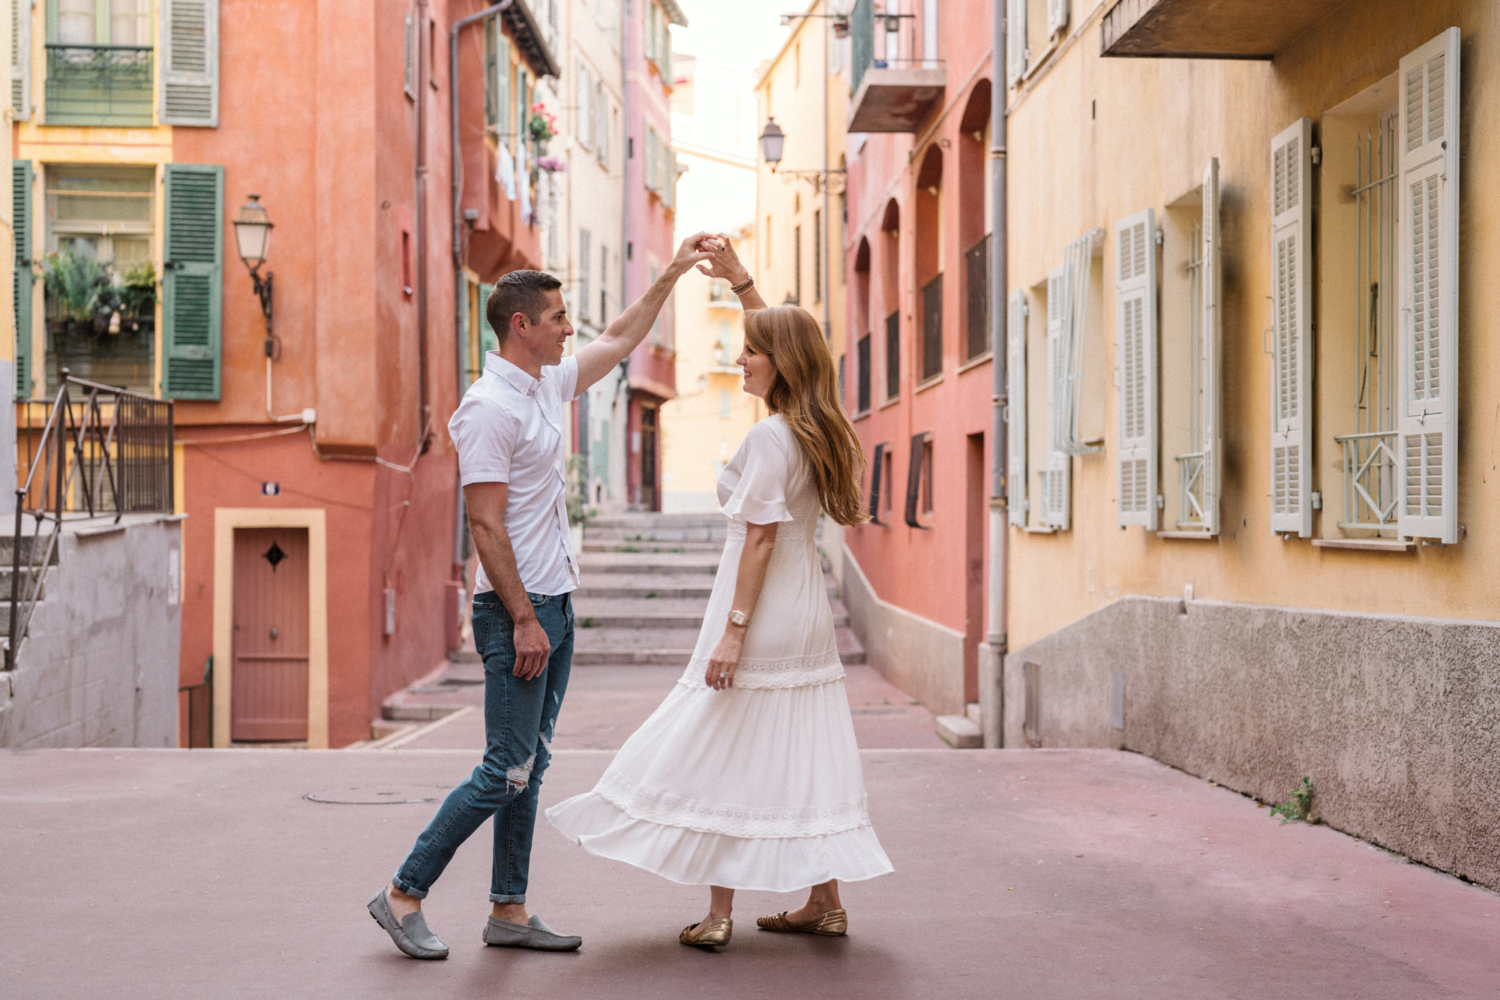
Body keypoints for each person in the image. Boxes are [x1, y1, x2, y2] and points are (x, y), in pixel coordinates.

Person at [369, 234, 718, 960]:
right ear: (521, 326)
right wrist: (525, 619)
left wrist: (676, 272)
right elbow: (484, 524)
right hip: (516, 612)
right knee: (505, 768)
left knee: (532, 764)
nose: (569, 327)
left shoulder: (545, 385)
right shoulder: (490, 408)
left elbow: (620, 337)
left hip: (553, 604)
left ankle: (510, 909)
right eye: (557, 317)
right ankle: (403, 893)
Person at [546, 234, 893, 951]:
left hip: (759, 610)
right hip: (804, 614)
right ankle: (824, 900)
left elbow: (759, 539)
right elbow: (786, 345)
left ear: (779, 365)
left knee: (723, 746)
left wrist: (733, 631)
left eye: (751, 353)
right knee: (796, 748)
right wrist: (743, 285)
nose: (739, 357)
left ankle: (720, 912)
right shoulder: (816, 428)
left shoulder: (771, 439)